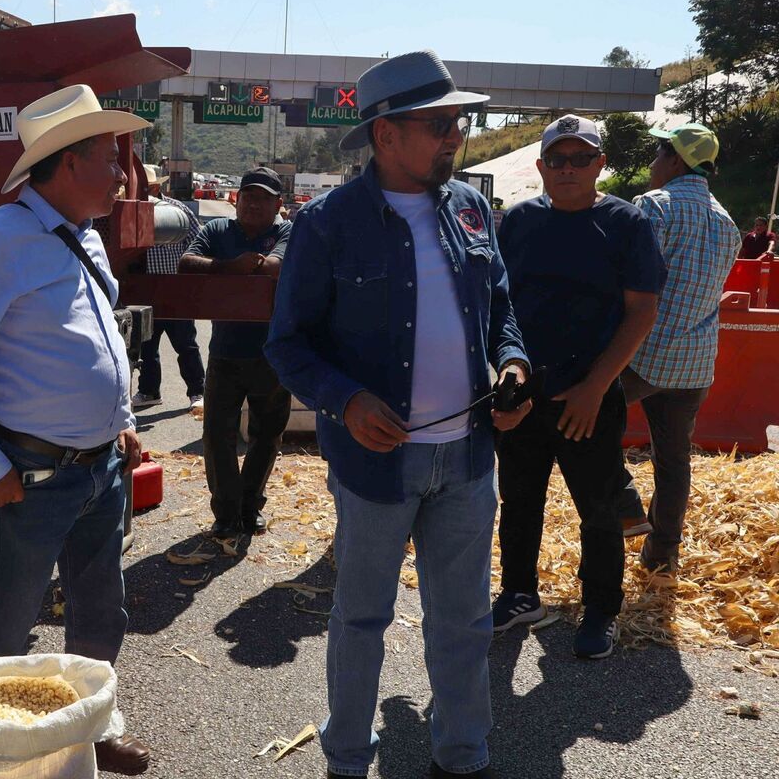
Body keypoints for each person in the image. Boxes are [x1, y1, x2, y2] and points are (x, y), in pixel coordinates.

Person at [266, 50, 531, 779]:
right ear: (385, 135)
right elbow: (287, 344)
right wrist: (347, 400)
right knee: (361, 618)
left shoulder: (471, 207)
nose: (456, 137)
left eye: (459, 123)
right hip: (375, 464)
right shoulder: (327, 224)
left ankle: (463, 754)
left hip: (468, 459)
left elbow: (502, 306)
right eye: (440, 125)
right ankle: (348, 757)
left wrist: (513, 363)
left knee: (465, 620)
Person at [0, 84, 150, 776]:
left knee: (101, 613)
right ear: (69, 162)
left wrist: (123, 421)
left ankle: (89, 730)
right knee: (4, 631)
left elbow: (100, 339)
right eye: (110, 158)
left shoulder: (84, 235)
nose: (122, 173)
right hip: (30, 473)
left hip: (100, 468)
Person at [493, 115, 665, 661]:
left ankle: (600, 609)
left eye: (581, 158)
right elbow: (498, 304)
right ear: (541, 166)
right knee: (519, 499)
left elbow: (642, 311)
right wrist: (507, 374)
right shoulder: (519, 221)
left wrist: (596, 386)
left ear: (600, 164)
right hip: (526, 388)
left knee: (598, 506)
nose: (568, 168)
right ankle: (519, 593)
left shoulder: (625, 222)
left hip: (591, 392)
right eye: (558, 159)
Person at [615, 123, 741, 572]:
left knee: (580, 422)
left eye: (657, 154)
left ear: (675, 159)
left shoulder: (655, 206)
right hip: (695, 362)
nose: (653, 164)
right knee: (673, 463)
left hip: (644, 354)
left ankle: (624, 502)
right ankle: (662, 556)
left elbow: (633, 280)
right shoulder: (728, 223)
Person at [178, 166, 293, 539]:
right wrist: (229, 266)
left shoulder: (286, 232)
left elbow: (275, 266)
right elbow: (186, 264)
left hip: (273, 354)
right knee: (217, 435)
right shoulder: (216, 230)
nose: (254, 204)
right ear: (236, 199)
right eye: (248, 197)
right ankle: (226, 513)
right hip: (225, 352)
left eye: (263, 199)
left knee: (267, 435)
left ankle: (250, 506)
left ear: (278, 204)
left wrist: (245, 268)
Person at [132, 165, 206, 413]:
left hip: (175, 291)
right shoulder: (131, 211)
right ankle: (149, 391)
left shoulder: (178, 211)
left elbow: (197, 242)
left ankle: (198, 392)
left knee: (186, 345)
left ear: (155, 188)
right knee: (147, 347)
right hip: (145, 292)